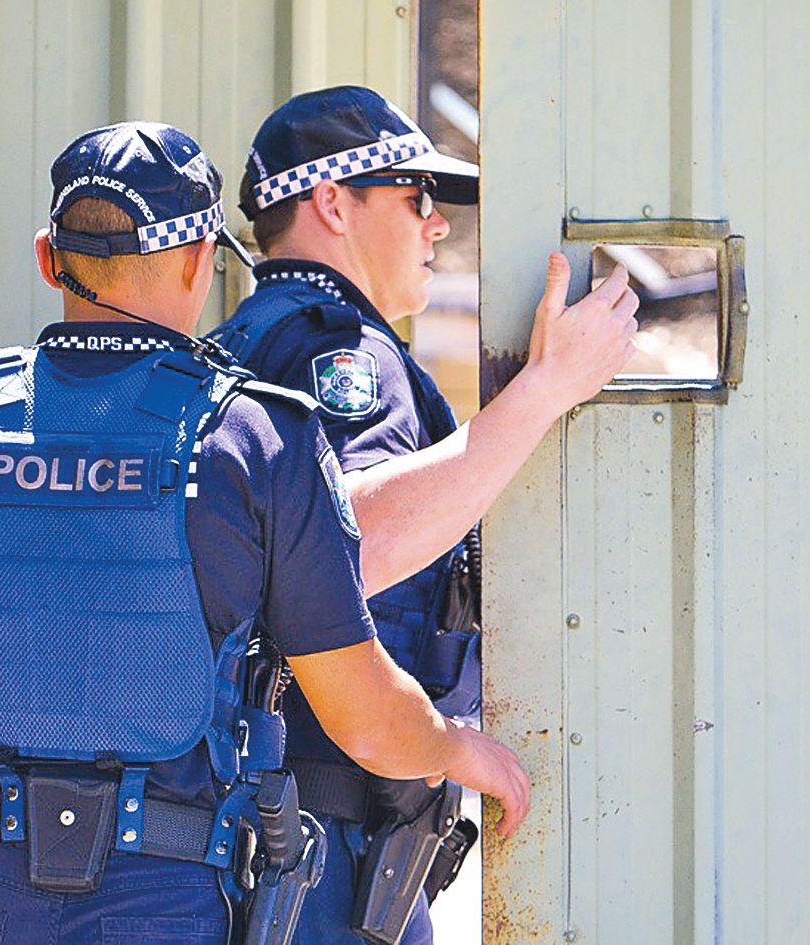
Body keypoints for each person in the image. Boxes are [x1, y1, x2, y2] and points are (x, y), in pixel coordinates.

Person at [0, 121, 529, 945]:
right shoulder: (256, 441)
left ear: (48, 259)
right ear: (199, 261)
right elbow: (363, 715)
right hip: (168, 907)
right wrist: (456, 747)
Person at [207, 86, 637, 945]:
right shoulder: (338, 350)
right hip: (320, 846)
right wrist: (546, 389)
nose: (437, 225)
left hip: (260, 830)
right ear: (333, 203)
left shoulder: (240, 343)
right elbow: (347, 548)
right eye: (415, 199)